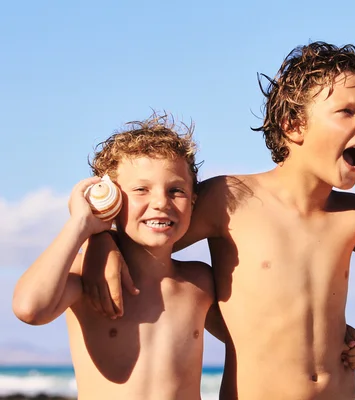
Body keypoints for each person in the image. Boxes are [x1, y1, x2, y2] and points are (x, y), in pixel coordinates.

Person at [83, 41, 355, 400]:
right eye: (347, 111)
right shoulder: (231, 198)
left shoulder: (354, 215)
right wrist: (102, 242)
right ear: (294, 125)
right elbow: (147, 236)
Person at [12, 115, 215, 399]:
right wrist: (82, 226)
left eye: (176, 191)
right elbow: (29, 308)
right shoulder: (86, 279)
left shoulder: (200, 282)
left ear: (193, 201)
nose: (160, 202)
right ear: (110, 197)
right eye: (141, 189)